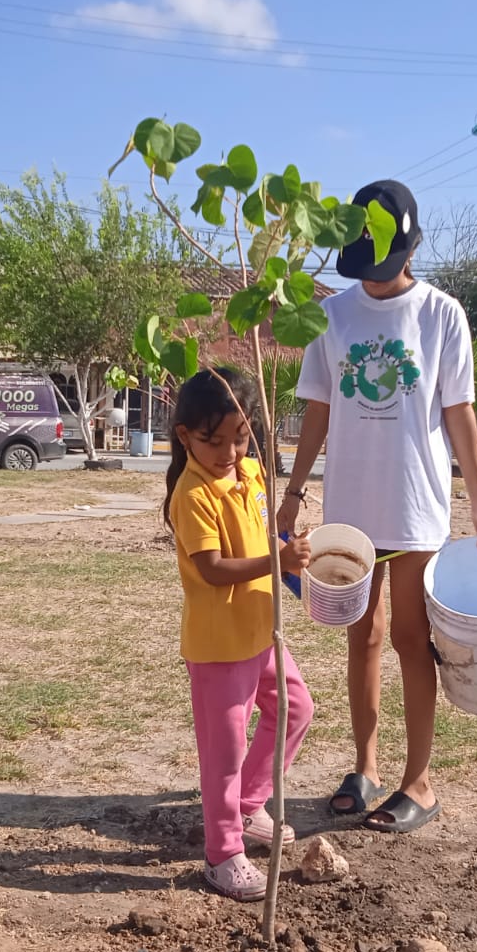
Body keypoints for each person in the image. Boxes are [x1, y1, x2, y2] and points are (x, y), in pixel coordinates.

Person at [279, 179, 477, 835]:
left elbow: (458, 412)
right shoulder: (333, 314)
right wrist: (292, 494)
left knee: (410, 638)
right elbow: (318, 409)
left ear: (408, 250)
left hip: (416, 504)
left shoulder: (441, 315)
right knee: (362, 635)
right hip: (351, 510)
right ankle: (366, 767)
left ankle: (420, 783)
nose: (373, 280)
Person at [165, 367, 315, 902]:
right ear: (185, 437)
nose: (229, 450)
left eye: (240, 436)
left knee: (296, 709)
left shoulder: (251, 472)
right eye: (213, 440)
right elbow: (211, 568)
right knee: (221, 754)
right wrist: (276, 559)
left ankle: (251, 806)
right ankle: (222, 852)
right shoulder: (192, 494)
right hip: (219, 648)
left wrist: (292, 547)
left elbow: (266, 531)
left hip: (261, 632)